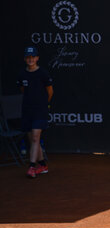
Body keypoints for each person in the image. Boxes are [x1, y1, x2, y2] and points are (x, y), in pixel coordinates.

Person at [17, 46, 53, 178]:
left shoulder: (43, 73)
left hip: (40, 110)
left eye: (33, 57)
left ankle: (32, 166)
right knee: (32, 139)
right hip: (27, 110)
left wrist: (43, 104)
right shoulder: (22, 74)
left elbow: (50, 91)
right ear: (25, 59)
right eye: (28, 57)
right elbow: (23, 90)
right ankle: (43, 164)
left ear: (37, 58)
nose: (30, 59)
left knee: (35, 137)